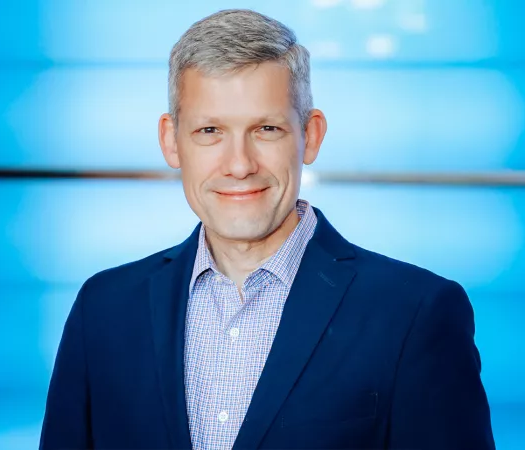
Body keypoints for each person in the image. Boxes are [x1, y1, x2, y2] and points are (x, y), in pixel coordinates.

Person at [40, 9, 496, 450]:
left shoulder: (415, 313)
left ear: (310, 135)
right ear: (170, 140)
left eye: (267, 128)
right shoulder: (103, 311)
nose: (239, 164)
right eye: (210, 131)